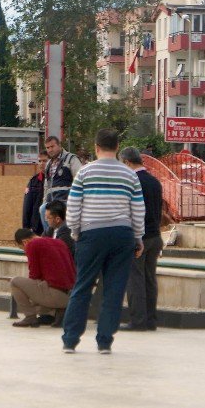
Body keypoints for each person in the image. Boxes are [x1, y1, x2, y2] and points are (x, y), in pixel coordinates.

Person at [62, 129, 145, 354]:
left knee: (83, 286)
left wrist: (76, 232)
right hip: (122, 235)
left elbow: (73, 206)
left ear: (96, 147)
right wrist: (138, 236)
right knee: (114, 289)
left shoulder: (85, 173)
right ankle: (104, 342)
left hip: (91, 234)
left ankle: (70, 340)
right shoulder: (130, 175)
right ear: (117, 147)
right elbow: (138, 209)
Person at [119, 147, 164, 332]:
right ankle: (151, 320)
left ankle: (138, 321)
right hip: (155, 236)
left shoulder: (132, 181)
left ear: (127, 162)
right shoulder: (154, 181)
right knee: (150, 279)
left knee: (135, 279)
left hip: (140, 238)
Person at [11, 228, 76, 328]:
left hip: (55, 295)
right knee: (37, 287)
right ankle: (57, 311)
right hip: (71, 294)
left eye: (22, 248)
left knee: (15, 282)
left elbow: (34, 275)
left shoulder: (32, 244)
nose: (25, 250)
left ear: (25, 242)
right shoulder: (59, 242)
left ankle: (30, 317)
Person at [39, 136, 82, 232]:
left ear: (59, 145)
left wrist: (76, 201)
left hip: (66, 201)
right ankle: (50, 238)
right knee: (43, 209)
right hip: (53, 202)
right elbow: (47, 187)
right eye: (47, 148)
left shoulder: (71, 159)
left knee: (64, 229)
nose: (50, 150)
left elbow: (80, 180)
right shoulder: (49, 164)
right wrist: (45, 202)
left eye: (52, 146)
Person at [22, 151, 49, 235]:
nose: (41, 164)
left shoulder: (57, 180)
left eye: (45, 161)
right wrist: (26, 229)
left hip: (51, 224)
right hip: (37, 227)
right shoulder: (33, 181)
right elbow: (27, 206)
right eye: (40, 161)